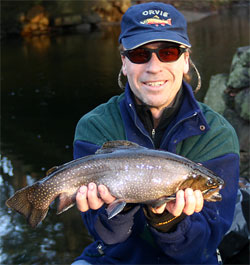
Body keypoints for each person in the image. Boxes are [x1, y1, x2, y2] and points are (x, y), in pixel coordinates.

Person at [72, 2, 240, 264]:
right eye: (140, 54)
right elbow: (108, 237)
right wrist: (113, 209)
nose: (154, 66)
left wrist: (167, 219)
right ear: (124, 62)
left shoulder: (218, 134)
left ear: (185, 60)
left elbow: (204, 246)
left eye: (168, 52)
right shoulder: (94, 126)